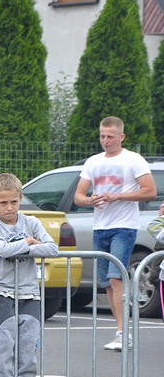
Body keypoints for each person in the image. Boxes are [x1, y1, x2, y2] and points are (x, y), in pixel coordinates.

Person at [73, 116, 157, 350]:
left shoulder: (133, 159)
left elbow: (150, 190)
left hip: (124, 226)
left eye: (110, 136)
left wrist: (117, 196)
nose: (106, 141)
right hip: (101, 227)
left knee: (115, 277)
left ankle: (123, 332)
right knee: (107, 283)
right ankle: (119, 329)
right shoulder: (93, 161)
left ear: (121, 136)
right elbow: (78, 196)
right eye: (102, 136)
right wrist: (91, 200)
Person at [0, 173, 59, 377]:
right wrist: (28, 244)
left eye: (14, 202)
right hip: (2, 293)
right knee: (3, 345)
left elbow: (51, 248)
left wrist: (24, 245)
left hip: (30, 293)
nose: (9, 207)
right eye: (3, 202)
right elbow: (2, 250)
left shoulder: (32, 221)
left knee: (28, 346)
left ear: (20, 200)